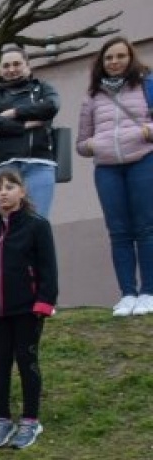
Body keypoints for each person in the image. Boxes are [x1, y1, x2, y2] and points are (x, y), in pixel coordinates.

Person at [0, 169, 58, 450]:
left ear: (22, 191)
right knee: (0, 363)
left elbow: (48, 269)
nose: (3, 192)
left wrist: (44, 301)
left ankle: (30, 419)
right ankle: (2, 419)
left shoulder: (37, 226)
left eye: (10, 186)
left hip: (27, 309)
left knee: (26, 360)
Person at [73, 36, 153, 316]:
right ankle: (127, 293)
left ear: (130, 58)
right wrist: (95, 145)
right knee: (119, 232)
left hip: (143, 161)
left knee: (145, 228)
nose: (115, 62)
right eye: (109, 58)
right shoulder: (92, 97)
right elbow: (81, 144)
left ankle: (149, 292)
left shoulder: (147, 85)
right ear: (101, 63)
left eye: (120, 56)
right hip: (107, 168)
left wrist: (146, 132)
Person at [0, 45, 61, 218]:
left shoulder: (43, 89)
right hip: (1, 166)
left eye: (17, 64)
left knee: (38, 223)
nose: (12, 69)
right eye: (6, 66)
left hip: (38, 164)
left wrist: (14, 113)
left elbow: (51, 107)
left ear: (28, 66)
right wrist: (23, 126)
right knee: (6, 225)